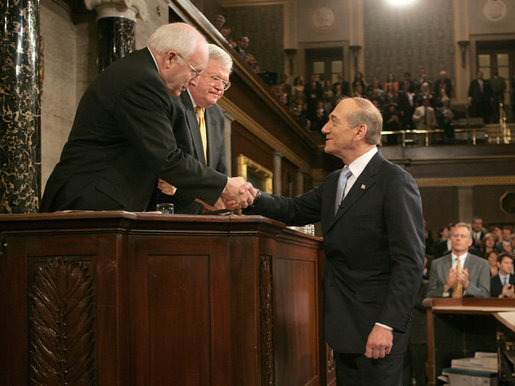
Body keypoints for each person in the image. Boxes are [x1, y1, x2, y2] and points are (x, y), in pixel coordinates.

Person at [245, 97, 425, 386]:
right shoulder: (334, 181)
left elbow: (410, 261)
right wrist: (252, 196)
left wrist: (386, 324)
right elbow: (293, 209)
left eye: (333, 121)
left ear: (359, 131)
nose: (325, 128)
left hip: (376, 330)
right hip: (343, 327)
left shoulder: (394, 181)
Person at [40, 23, 251, 213]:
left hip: (103, 202)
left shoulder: (142, 74)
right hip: (89, 203)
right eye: (194, 71)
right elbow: (167, 158)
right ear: (170, 58)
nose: (193, 80)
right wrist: (224, 185)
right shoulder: (143, 81)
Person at [154, 44, 233, 213]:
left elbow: (218, 170)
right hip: (162, 210)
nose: (220, 87)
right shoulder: (172, 100)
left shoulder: (217, 114)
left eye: (225, 83)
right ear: (195, 73)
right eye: (214, 78)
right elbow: (164, 162)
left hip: (197, 217)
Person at [426, 223, 490, 298]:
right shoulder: (437, 264)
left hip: (470, 308)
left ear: (470, 242)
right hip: (445, 308)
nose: (458, 238)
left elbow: (485, 295)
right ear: (451, 240)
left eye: (463, 236)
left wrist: (467, 285)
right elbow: (429, 295)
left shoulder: (482, 264)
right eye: (455, 235)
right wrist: (446, 286)